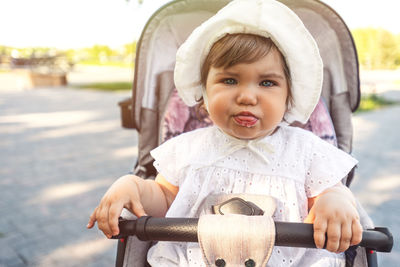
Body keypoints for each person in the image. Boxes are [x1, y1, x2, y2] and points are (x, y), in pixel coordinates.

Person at [87, 0, 362, 265]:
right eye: (229, 80)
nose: (246, 96)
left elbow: (330, 193)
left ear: (289, 96)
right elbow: (164, 202)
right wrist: (133, 186)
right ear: (203, 92)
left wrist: (335, 200)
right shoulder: (187, 149)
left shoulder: (306, 150)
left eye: (267, 82)